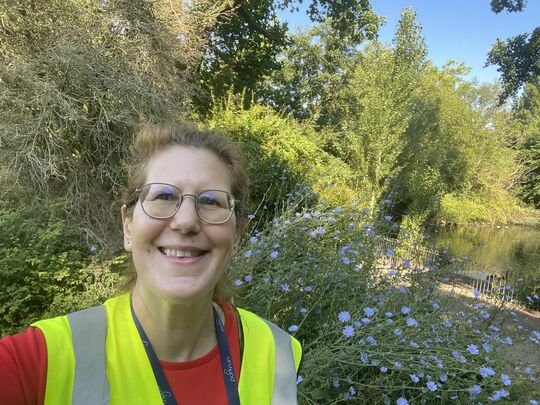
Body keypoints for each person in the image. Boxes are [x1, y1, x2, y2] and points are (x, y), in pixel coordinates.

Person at [0, 123, 302, 404]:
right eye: (163, 196)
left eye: (211, 201)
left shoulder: (278, 352)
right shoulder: (38, 361)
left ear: (237, 234)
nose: (186, 221)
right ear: (128, 226)